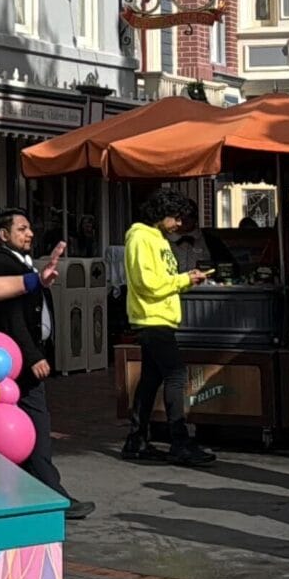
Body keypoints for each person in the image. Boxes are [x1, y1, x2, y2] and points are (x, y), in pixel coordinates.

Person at [0, 209, 90, 516]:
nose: (30, 234)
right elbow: (11, 318)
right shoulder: (2, 264)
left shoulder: (18, 264)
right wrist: (33, 356)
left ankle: (28, 489)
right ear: (4, 235)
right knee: (37, 426)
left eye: (30, 228)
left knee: (27, 424)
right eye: (22, 229)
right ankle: (52, 494)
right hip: (13, 360)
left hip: (15, 359)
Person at [122, 191, 217, 467]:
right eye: (175, 217)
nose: (178, 223)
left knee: (151, 379)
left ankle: (137, 439)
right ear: (159, 215)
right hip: (152, 318)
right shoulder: (140, 237)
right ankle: (179, 441)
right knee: (176, 375)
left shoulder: (158, 239)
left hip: (159, 317)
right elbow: (147, 283)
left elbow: (158, 279)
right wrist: (184, 280)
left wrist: (184, 280)